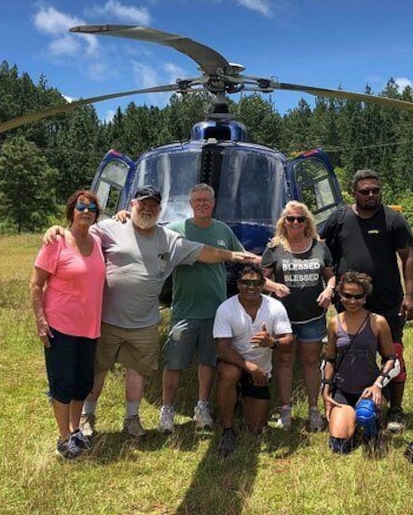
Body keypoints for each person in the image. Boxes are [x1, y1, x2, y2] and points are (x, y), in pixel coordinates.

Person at [44, 185, 254, 438]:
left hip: (145, 322)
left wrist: (234, 255)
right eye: (142, 204)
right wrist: (58, 230)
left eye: (153, 205)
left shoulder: (168, 238)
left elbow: (204, 252)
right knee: (97, 370)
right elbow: (80, 230)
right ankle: (88, 416)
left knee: (138, 371)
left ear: (160, 209)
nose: (147, 208)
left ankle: (131, 418)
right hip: (107, 320)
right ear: (132, 205)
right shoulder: (112, 227)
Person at [320, 169, 413, 433]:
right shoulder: (339, 218)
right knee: (347, 353)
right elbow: (319, 246)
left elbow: (408, 257)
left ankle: (395, 409)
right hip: (349, 302)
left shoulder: (394, 220)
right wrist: (329, 283)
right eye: (365, 191)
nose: (371, 195)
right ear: (354, 192)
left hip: (388, 302)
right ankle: (342, 398)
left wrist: (410, 296)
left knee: (393, 355)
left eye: (376, 190)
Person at [159, 184, 245, 433]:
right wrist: (123, 218)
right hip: (184, 310)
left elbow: (241, 257)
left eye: (206, 200)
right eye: (197, 200)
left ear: (214, 202)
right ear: (190, 203)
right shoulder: (175, 231)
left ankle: (202, 406)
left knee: (208, 361)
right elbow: (149, 240)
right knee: (173, 362)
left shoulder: (223, 230)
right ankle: (167, 409)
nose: (202, 204)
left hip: (215, 311)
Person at [30, 190, 106, 460]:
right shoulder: (57, 241)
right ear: (72, 211)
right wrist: (40, 321)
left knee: (81, 383)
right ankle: (63, 438)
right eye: (81, 206)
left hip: (89, 327)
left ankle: (75, 430)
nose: (86, 211)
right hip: (60, 327)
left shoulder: (97, 241)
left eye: (92, 208)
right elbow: (36, 284)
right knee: (62, 384)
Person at [261, 201, 335, 431]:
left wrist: (329, 290)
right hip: (283, 318)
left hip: (312, 316)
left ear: (307, 222)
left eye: (300, 219)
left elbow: (332, 276)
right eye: (290, 219)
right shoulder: (274, 248)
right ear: (283, 222)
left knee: (311, 363)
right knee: (284, 361)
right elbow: (259, 279)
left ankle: (314, 410)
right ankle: (285, 410)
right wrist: (274, 287)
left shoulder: (320, 247)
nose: (295, 223)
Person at [213, 265, 294, 457]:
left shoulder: (274, 306)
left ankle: (241, 399)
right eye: (246, 283)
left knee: (257, 428)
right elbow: (222, 348)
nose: (251, 287)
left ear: (264, 284)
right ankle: (228, 429)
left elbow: (289, 342)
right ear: (238, 284)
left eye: (257, 283)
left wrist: (272, 342)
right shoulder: (226, 308)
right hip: (236, 365)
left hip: (261, 371)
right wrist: (250, 367)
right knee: (230, 373)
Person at [321, 271, 398, 454]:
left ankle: (371, 424)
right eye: (347, 295)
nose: (352, 301)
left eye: (358, 296)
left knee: (366, 414)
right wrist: (325, 392)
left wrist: (377, 386)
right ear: (340, 295)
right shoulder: (334, 323)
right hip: (344, 390)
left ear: (365, 298)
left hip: (370, 390)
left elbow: (391, 359)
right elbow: (330, 360)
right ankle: (352, 422)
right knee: (339, 447)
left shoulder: (378, 322)